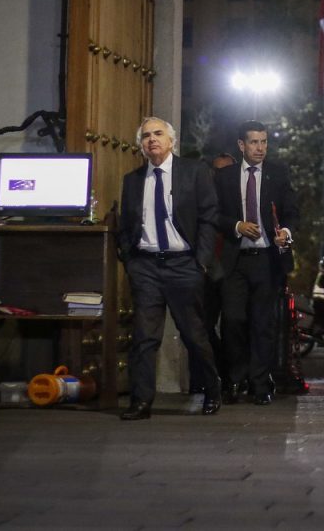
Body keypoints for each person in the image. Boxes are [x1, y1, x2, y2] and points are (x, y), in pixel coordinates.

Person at [117, 116, 223, 420]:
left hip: (183, 264)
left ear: (171, 140)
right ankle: (140, 402)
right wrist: (131, 261)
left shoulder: (194, 171)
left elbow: (209, 216)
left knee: (193, 334)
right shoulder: (133, 180)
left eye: (158, 134)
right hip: (147, 266)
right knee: (144, 337)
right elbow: (126, 226)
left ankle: (212, 389)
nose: (152, 139)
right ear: (140, 145)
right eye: (146, 136)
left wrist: (200, 261)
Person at [215, 120, 299, 406]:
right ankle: (235, 378)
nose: (260, 148)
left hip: (266, 259)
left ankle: (260, 383)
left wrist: (285, 234)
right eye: (254, 142)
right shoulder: (225, 177)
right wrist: (237, 225)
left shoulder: (278, 174)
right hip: (235, 260)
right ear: (241, 145)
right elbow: (214, 214)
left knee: (263, 324)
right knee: (233, 320)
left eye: (264, 142)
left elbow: (292, 212)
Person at [188, 153, 236, 395]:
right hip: (208, 272)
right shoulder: (203, 195)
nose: (219, 177)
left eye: (225, 172)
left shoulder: (238, 198)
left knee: (233, 326)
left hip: (230, 271)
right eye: (216, 172)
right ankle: (210, 378)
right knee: (203, 327)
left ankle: (231, 379)